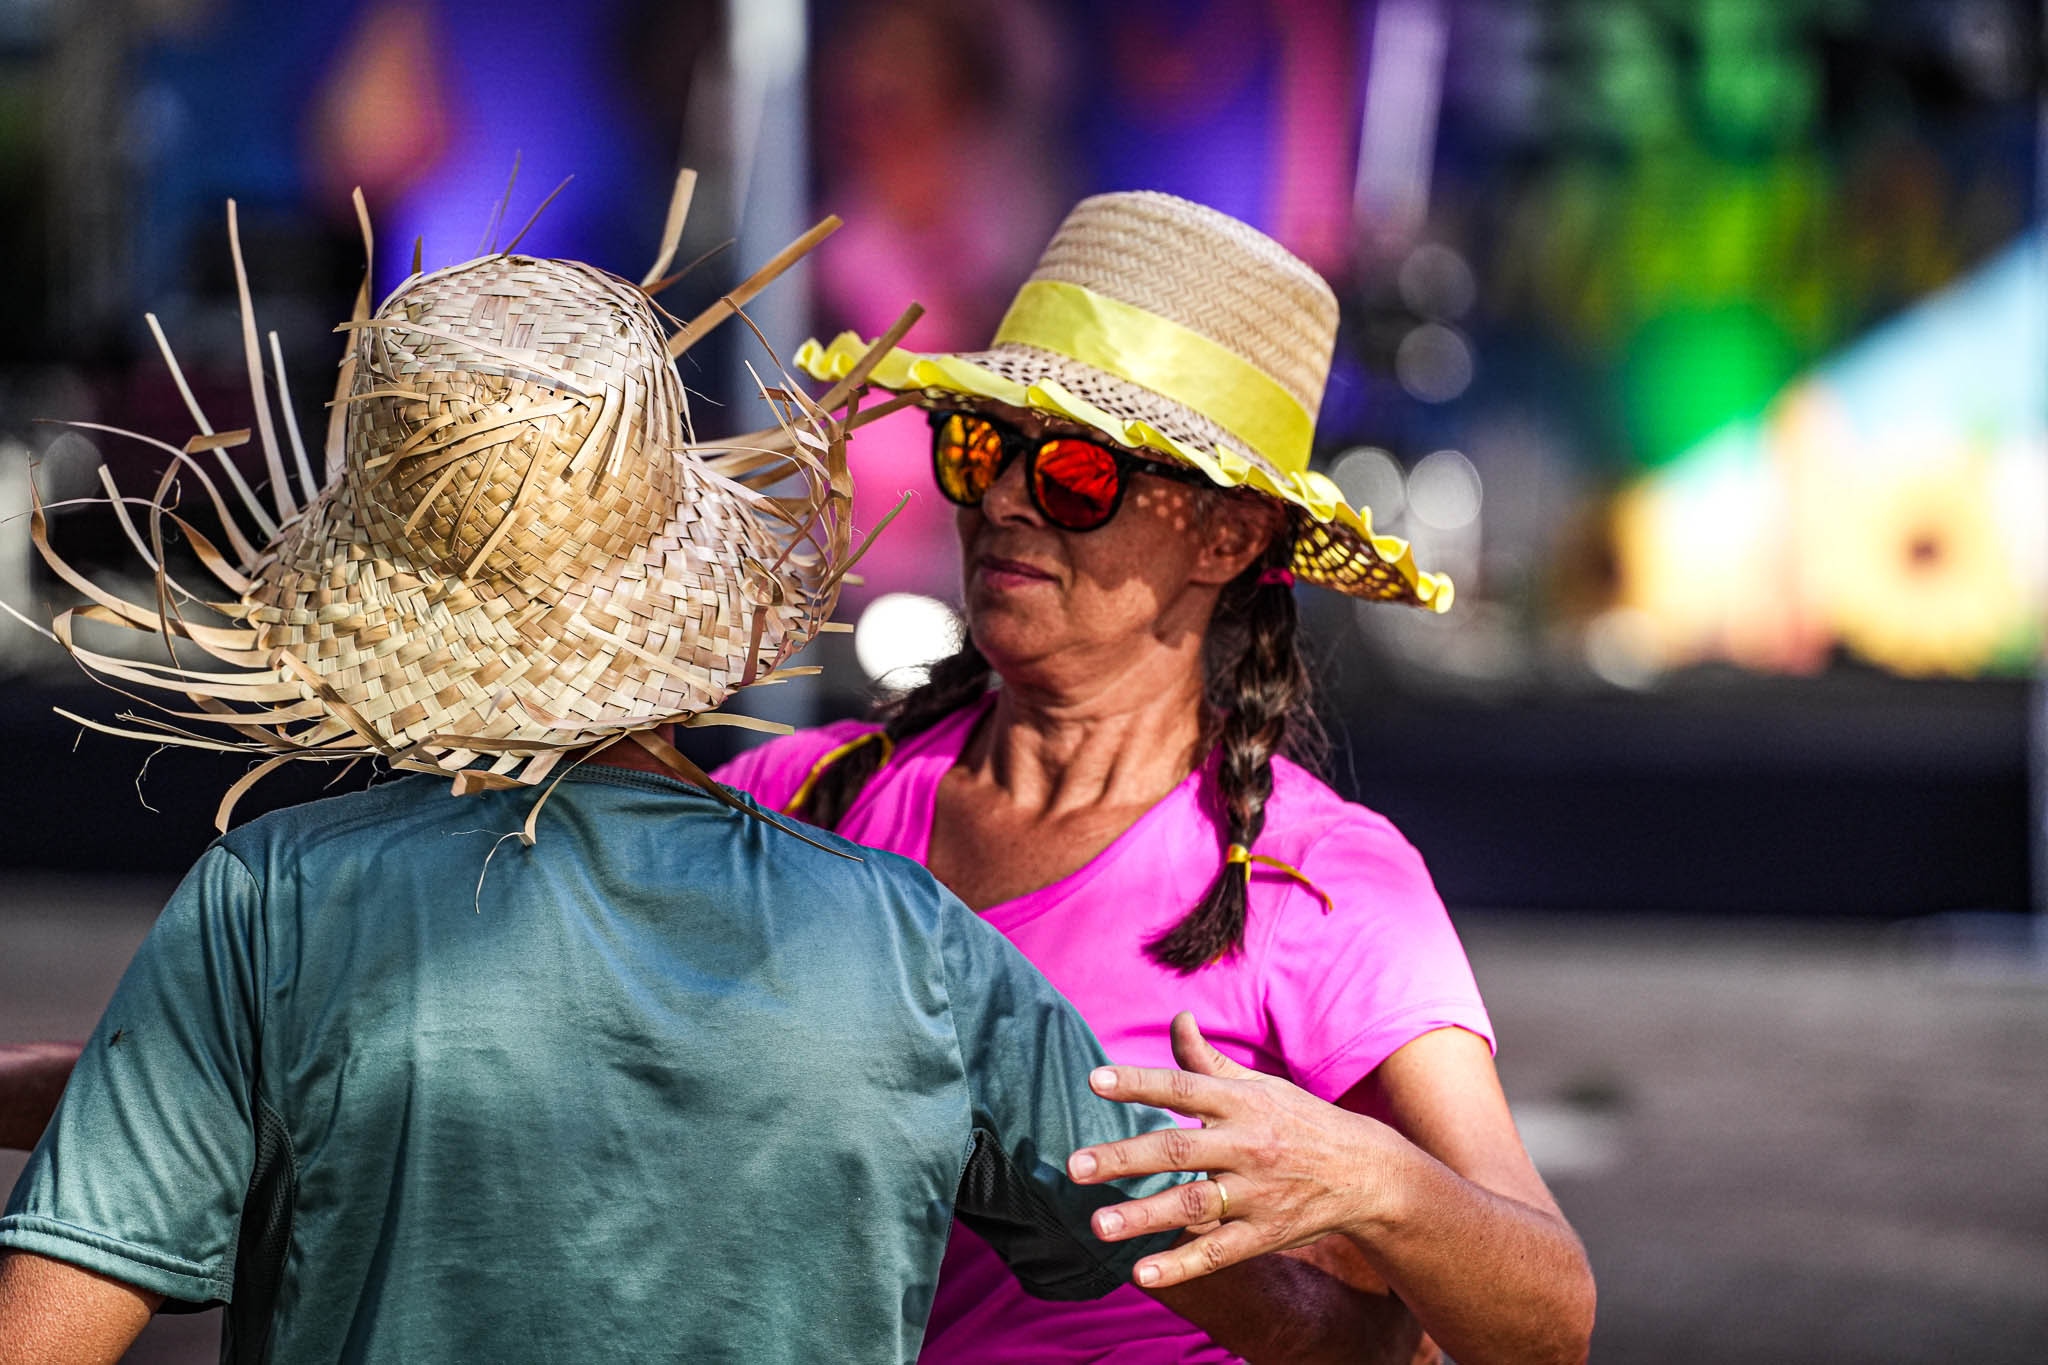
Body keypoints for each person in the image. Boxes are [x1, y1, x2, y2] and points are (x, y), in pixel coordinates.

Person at [0, 206, 1221, 1363]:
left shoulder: (270, 907)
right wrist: (1342, 1189)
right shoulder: (917, 947)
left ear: (382, 621)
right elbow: (1253, 1289)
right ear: (694, 607)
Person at [722, 189, 1597, 1364]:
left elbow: (1547, 1320)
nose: (1004, 498)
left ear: (1226, 538)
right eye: (981, 447)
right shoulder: (794, 800)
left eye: (1076, 473)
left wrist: (1373, 1178)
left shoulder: (1315, 879)